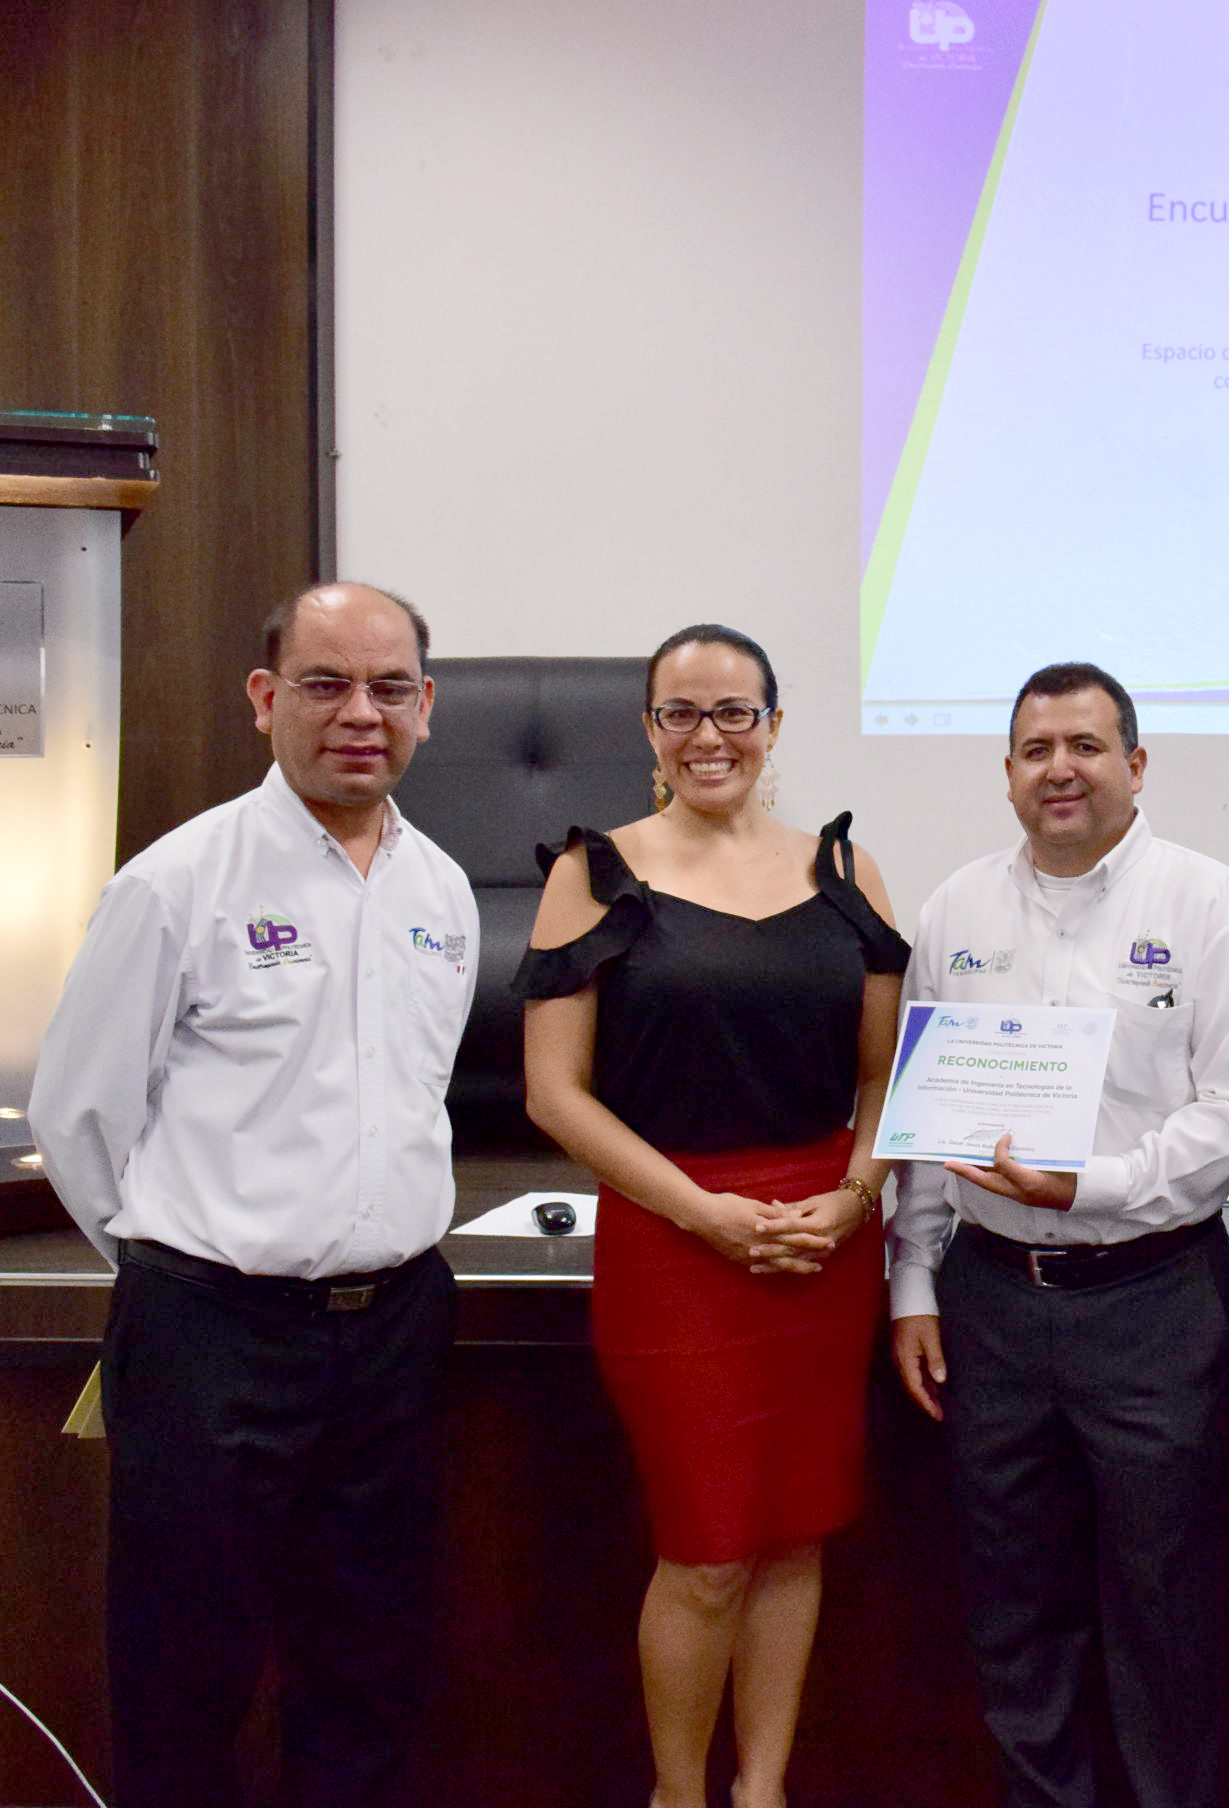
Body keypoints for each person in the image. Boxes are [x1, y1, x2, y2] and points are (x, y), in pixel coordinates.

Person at [29, 583, 474, 1808]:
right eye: (326, 683)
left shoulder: (442, 890)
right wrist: (184, 1270)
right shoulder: (179, 881)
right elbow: (79, 1114)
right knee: (185, 1673)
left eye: (389, 687)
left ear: (427, 706)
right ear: (266, 699)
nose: (360, 713)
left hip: (394, 1330)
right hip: (212, 1333)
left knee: (370, 1668)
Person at [517, 624, 908, 1808]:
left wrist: (855, 1196)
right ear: (650, 729)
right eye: (681, 712)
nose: (709, 736)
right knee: (706, 1547)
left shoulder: (846, 870)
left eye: (734, 710)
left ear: (774, 724)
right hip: (674, 1241)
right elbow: (554, 1091)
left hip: (824, 1240)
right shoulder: (594, 871)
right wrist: (706, 1212)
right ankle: (679, 1793)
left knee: (795, 1529)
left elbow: (887, 1076)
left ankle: (763, 1788)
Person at [887, 662, 1229, 1808]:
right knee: (1014, 1600)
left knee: (1166, 1600)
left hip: (1152, 1298)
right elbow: (929, 1117)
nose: (1060, 768)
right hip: (991, 1300)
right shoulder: (956, 909)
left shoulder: (1206, 902)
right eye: (1036, 749)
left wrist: (1090, 1186)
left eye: (1086, 745)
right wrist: (913, 1280)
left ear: (1136, 764)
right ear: (1008, 773)